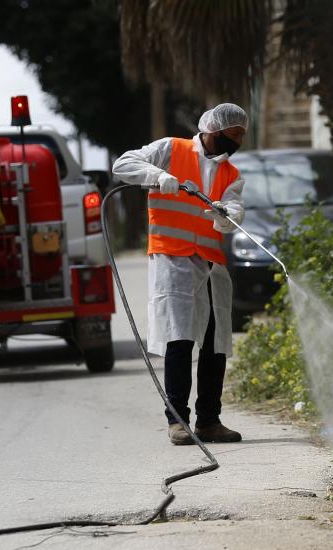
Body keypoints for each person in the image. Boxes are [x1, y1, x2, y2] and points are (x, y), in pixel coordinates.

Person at [112, 103, 248, 446]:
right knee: (180, 338)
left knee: (215, 345)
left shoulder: (231, 174)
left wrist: (225, 214)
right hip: (172, 259)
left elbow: (233, 214)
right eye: (229, 138)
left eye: (239, 139)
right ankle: (177, 421)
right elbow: (123, 164)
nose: (233, 145)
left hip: (211, 265)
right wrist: (157, 176)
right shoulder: (170, 149)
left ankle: (209, 421)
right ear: (212, 132)